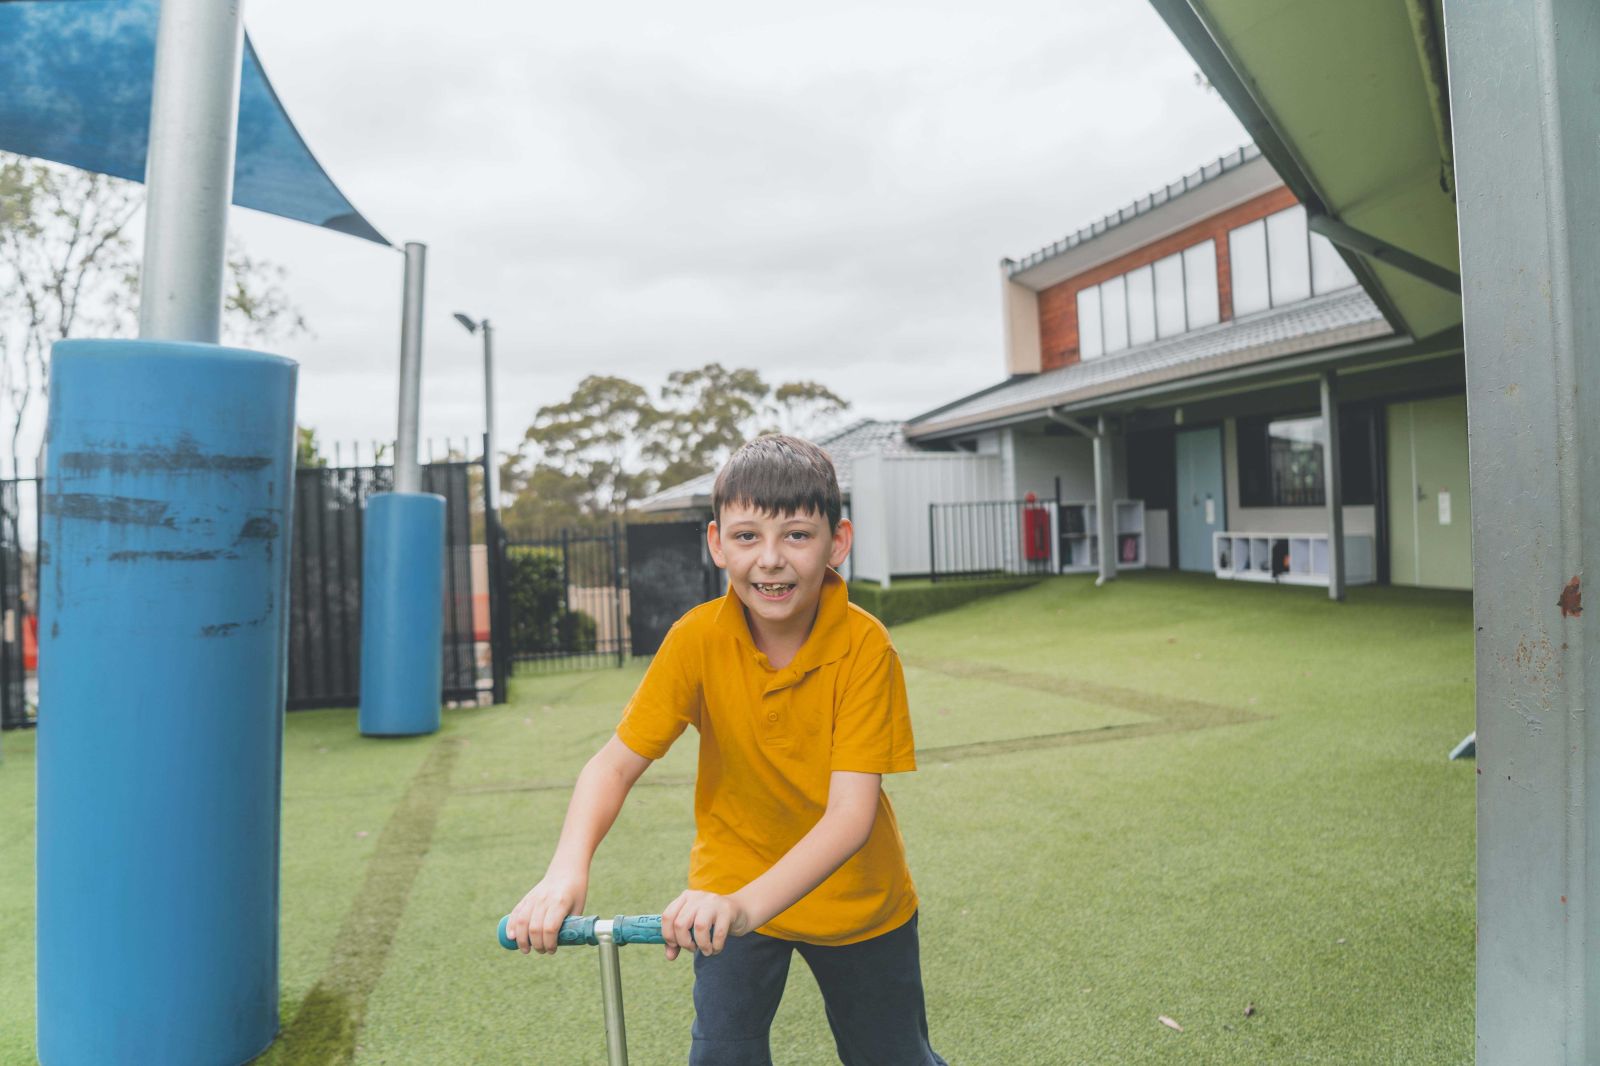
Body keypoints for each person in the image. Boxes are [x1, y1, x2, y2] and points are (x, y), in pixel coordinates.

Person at [505, 434, 945, 1066]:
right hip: (729, 887)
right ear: (716, 544)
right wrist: (565, 869)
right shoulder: (696, 639)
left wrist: (745, 904)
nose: (770, 560)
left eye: (797, 535)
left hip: (856, 899)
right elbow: (614, 764)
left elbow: (851, 816)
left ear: (837, 543)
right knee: (723, 1057)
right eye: (746, 537)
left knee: (892, 1056)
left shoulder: (865, 647)